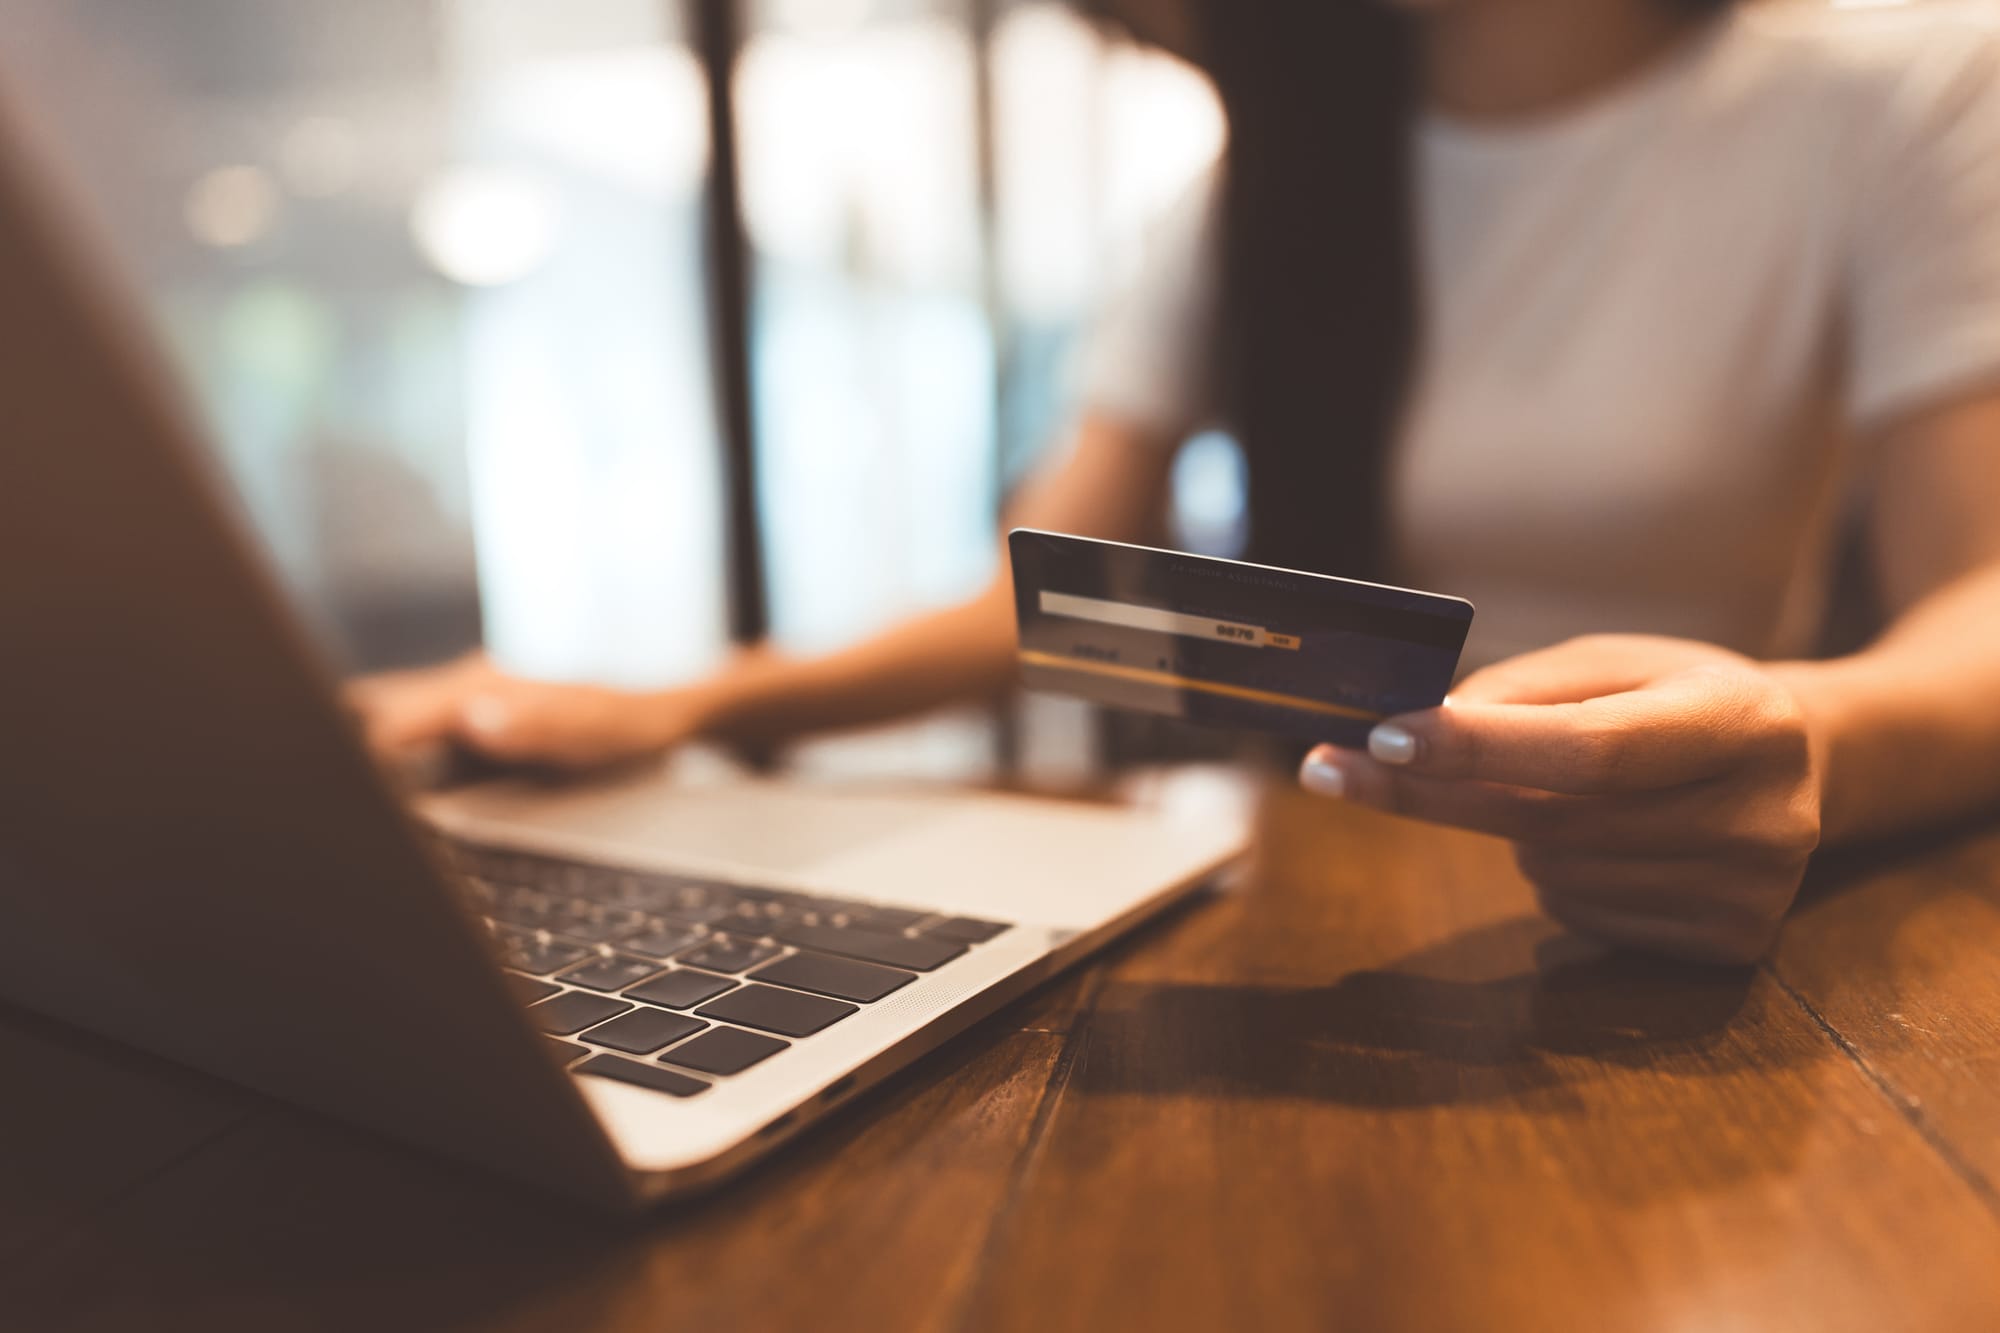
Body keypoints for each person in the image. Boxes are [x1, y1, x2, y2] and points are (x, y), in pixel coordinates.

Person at [354, 0, 2000, 964]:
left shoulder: (1897, 89)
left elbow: (1979, 598)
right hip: (1322, 895)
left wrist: (1816, 747)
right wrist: (686, 705)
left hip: (1669, 914)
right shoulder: (1275, 169)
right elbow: (1060, 586)